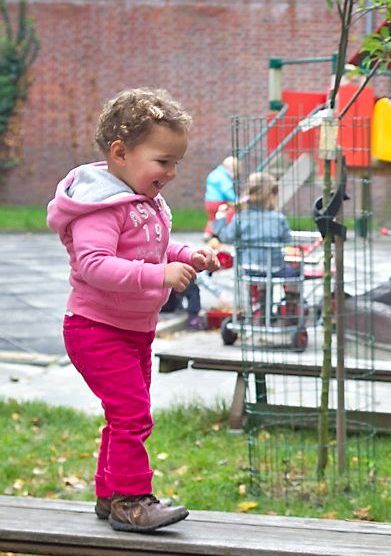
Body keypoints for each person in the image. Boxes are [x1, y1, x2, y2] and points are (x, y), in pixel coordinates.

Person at [46, 88, 219, 532]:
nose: (173, 172)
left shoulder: (141, 199)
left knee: (124, 413)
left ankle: (109, 494)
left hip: (132, 329)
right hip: (95, 329)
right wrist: (158, 275)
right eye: (163, 161)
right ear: (121, 153)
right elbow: (94, 264)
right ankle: (130, 499)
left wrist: (187, 255)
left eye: (176, 162)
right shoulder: (100, 206)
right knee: (132, 414)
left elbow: (153, 247)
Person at [212, 171, 301, 319]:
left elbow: (226, 237)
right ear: (271, 195)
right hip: (274, 268)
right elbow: (287, 239)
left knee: (258, 276)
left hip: (249, 268)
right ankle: (291, 309)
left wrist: (220, 217)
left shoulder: (240, 218)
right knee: (294, 272)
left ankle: (260, 308)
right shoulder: (278, 219)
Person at [204, 155, 237, 238]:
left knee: (212, 218)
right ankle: (222, 233)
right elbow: (227, 191)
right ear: (231, 168)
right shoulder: (224, 177)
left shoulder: (214, 173)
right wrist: (236, 199)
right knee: (229, 213)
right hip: (219, 201)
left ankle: (207, 234)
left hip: (209, 201)